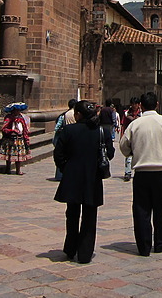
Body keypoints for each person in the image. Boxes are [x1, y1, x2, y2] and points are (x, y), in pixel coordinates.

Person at [119, 92, 162, 257]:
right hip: (161, 172)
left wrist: (134, 152)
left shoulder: (135, 124)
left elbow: (124, 146)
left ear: (141, 105)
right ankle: (161, 243)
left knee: (141, 210)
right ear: (157, 104)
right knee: (160, 210)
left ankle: (144, 246)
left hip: (142, 173)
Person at [54, 101, 115, 264]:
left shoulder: (68, 130)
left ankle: (70, 247)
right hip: (93, 178)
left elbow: (58, 154)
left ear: (78, 115)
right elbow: (110, 153)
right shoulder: (102, 131)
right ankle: (85, 252)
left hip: (73, 178)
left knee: (72, 214)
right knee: (90, 217)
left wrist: (67, 168)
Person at [0, 103, 31, 175]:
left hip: (19, 138)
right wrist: (12, 131)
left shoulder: (21, 118)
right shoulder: (8, 118)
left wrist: (25, 136)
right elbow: (4, 128)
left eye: (19, 110)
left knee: (19, 156)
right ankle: (8, 168)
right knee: (9, 154)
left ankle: (18, 170)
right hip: (10, 138)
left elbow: (24, 127)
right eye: (16, 110)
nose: (18, 112)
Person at [53, 99, 78, 181]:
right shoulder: (76, 114)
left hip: (65, 136)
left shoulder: (64, 115)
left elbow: (57, 127)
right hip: (73, 137)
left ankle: (59, 175)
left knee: (62, 156)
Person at [121, 97, 141, 182]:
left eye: (135, 104)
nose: (134, 106)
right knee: (128, 155)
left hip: (139, 136)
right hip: (129, 136)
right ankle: (127, 172)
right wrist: (122, 136)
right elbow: (123, 125)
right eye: (132, 104)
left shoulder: (141, 114)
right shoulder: (126, 114)